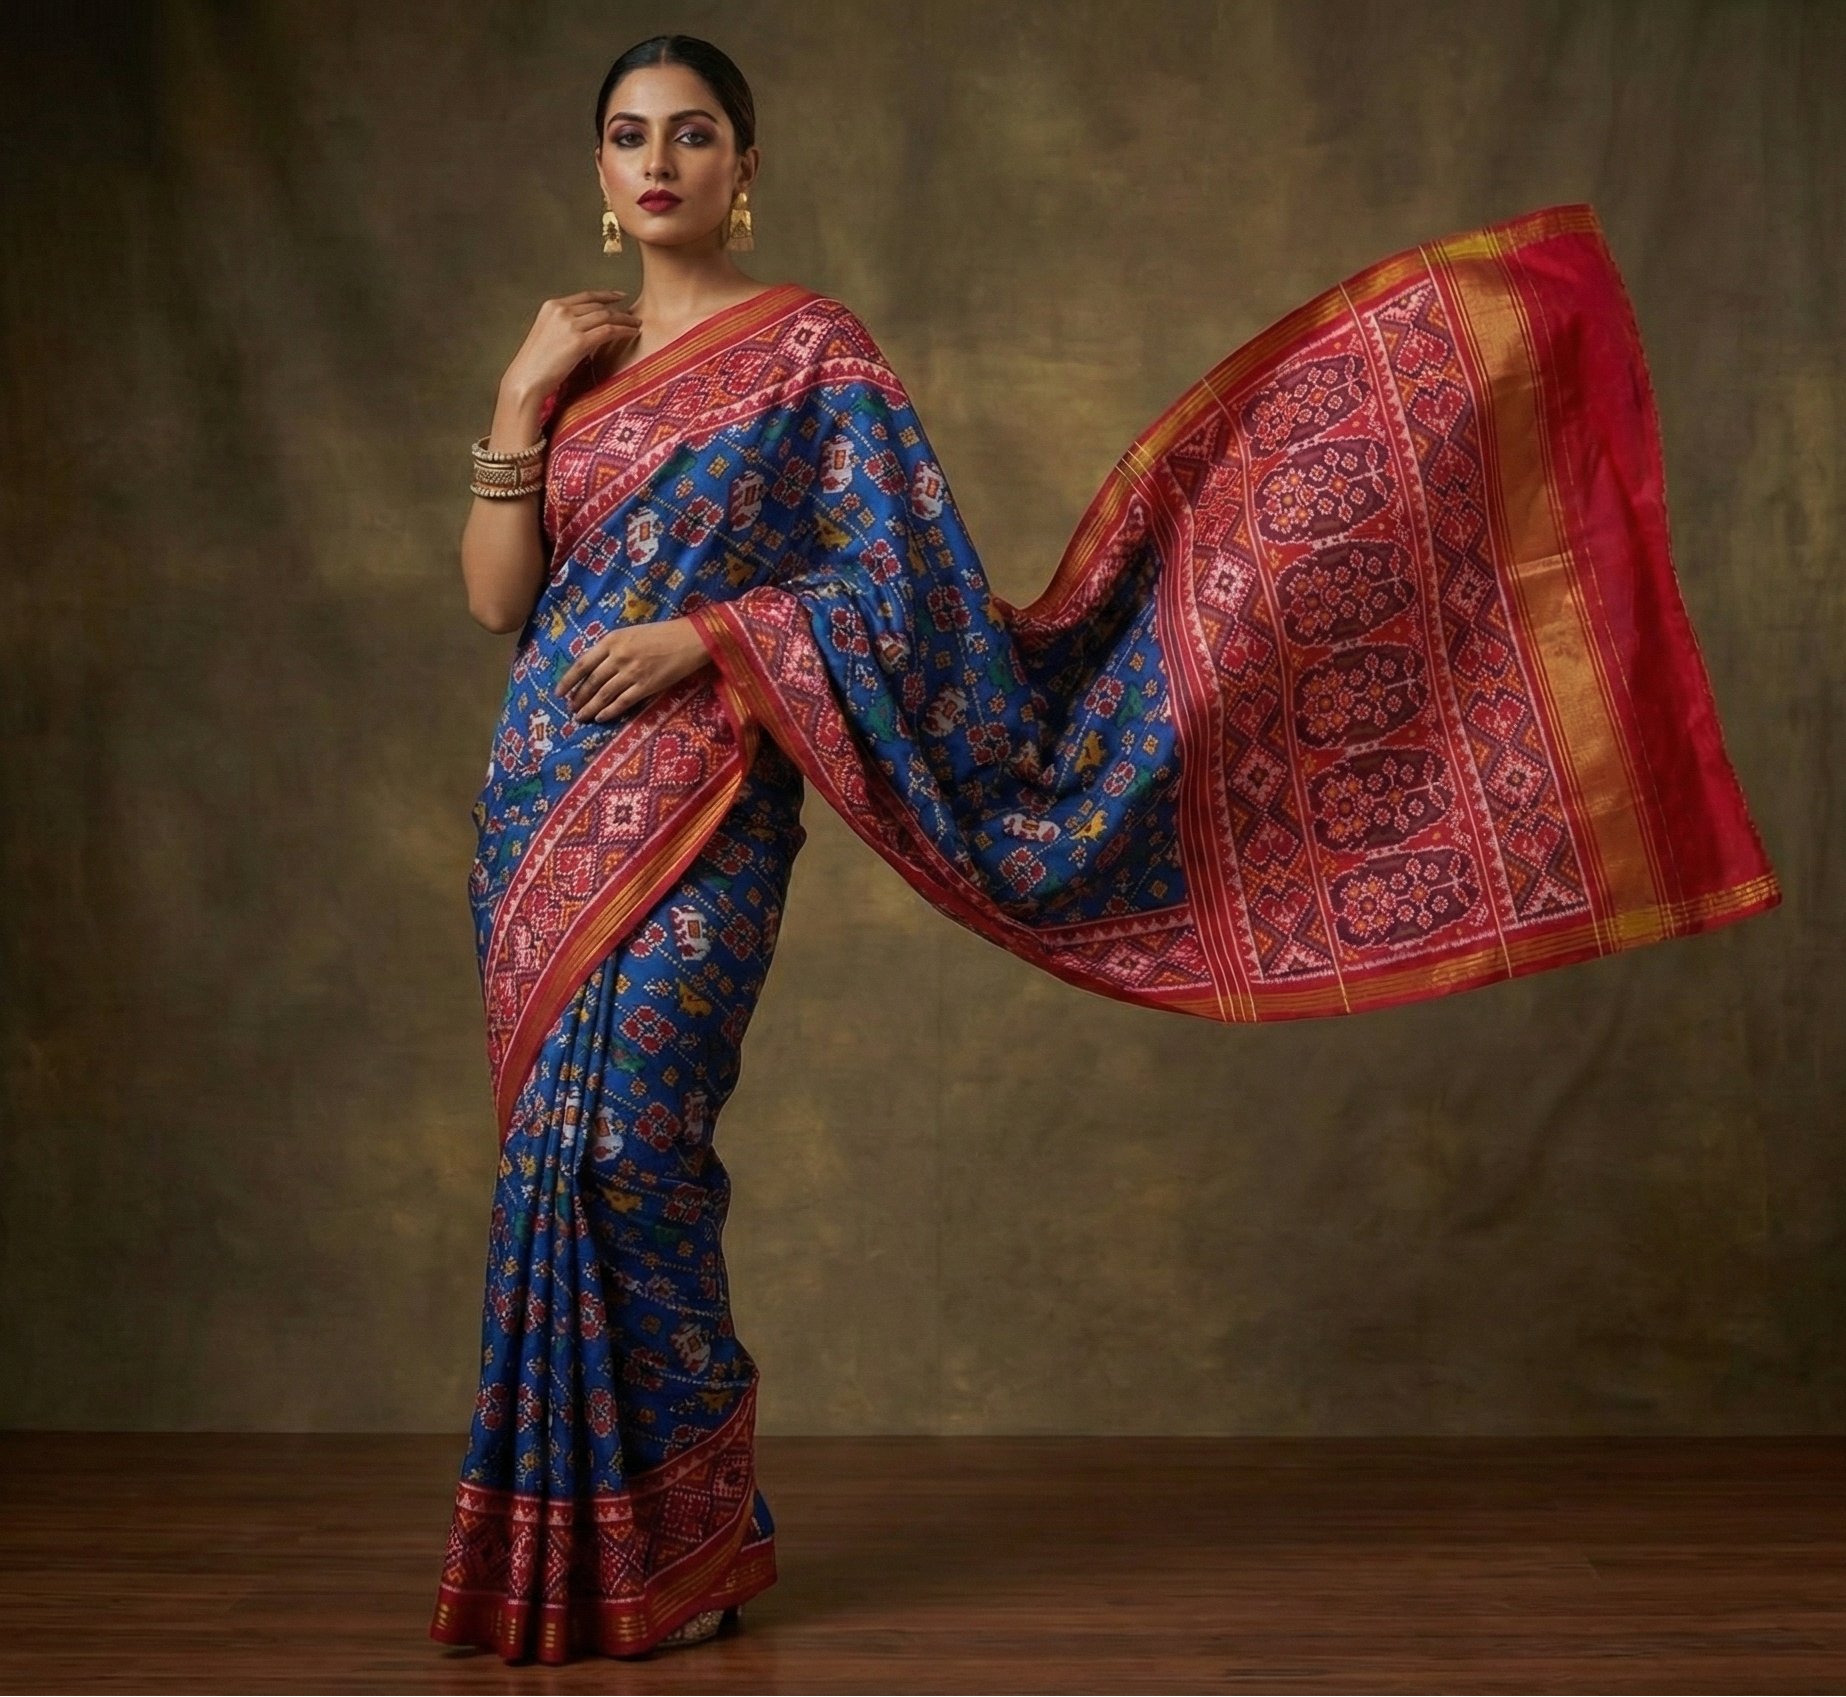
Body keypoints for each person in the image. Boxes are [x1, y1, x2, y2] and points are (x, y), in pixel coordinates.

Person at [432, 33, 1775, 1665]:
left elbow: (908, 595)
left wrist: (716, 637)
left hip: (706, 796)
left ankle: (689, 1551)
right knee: (545, 1170)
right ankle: (563, 1566)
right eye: (631, 137)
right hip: (542, 801)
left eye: (695, 133)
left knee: (634, 1156)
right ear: (597, 175)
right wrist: (513, 401)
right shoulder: (563, 362)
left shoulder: (809, 356)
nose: (661, 161)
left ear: (745, 168)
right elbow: (505, 604)